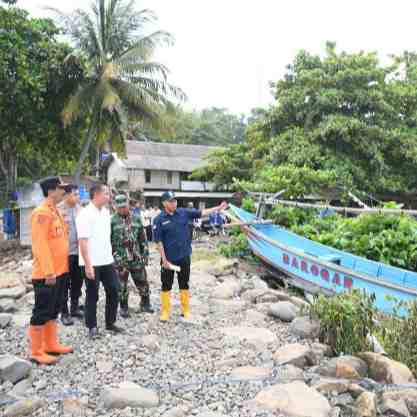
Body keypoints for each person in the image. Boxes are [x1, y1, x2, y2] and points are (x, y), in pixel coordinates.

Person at [153, 191, 228, 322]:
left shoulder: (183, 212)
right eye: (171, 201)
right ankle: (165, 311)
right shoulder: (159, 219)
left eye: (175, 200)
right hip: (168, 259)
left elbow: (202, 212)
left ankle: (185, 310)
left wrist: (218, 208)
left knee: (184, 283)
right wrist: (164, 260)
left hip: (184, 256)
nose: (174, 203)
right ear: (164, 203)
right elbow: (159, 242)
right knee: (166, 285)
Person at [28, 176, 74, 365]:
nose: (64, 192)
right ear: (51, 191)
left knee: (54, 309)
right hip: (47, 274)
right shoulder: (41, 213)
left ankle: (50, 344)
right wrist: (48, 271)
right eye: (61, 188)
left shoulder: (55, 211)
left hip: (60, 271)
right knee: (42, 310)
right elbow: (40, 245)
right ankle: (36, 352)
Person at [76, 183, 123, 339]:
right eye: (106, 194)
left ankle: (110, 322)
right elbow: (82, 241)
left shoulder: (106, 213)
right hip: (91, 262)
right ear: (96, 194)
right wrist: (88, 265)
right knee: (92, 294)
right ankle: (92, 326)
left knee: (114, 290)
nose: (109, 197)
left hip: (106, 260)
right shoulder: (84, 214)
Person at [111, 195, 154, 317]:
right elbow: (108, 241)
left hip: (136, 257)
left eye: (124, 207)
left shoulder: (136, 218)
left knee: (142, 281)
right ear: (115, 207)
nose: (122, 209)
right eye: (120, 207)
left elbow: (142, 238)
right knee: (121, 285)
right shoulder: (112, 221)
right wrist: (113, 257)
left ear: (128, 205)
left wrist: (145, 253)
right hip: (120, 259)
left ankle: (145, 303)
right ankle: (124, 307)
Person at [58, 185, 83, 326]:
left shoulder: (80, 209)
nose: (77, 197)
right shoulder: (58, 210)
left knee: (77, 281)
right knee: (64, 284)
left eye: (78, 194)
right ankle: (64, 312)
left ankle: (74, 308)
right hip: (64, 254)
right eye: (75, 194)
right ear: (67, 195)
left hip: (78, 252)